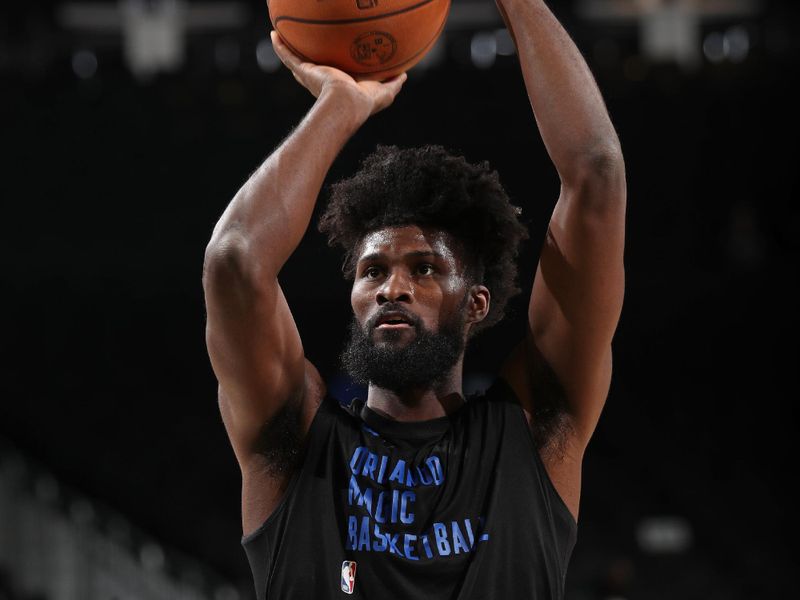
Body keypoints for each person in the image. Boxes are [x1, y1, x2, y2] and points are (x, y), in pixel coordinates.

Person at [202, 1, 625, 598]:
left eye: (423, 269)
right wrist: (339, 108)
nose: (391, 289)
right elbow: (234, 261)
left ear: (476, 303)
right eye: (372, 272)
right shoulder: (294, 447)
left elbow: (597, 173)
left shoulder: (534, 433)